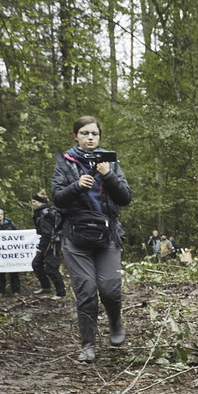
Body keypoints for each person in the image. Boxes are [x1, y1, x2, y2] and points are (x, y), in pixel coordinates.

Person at [52, 115, 132, 363]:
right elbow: (57, 197)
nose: (90, 137)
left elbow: (125, 198)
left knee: (109, 287)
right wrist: (76, 185)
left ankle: (115, 322)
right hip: (75, 236)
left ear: (99, 136)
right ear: (76, 135)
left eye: (94, 134)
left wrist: (108, 175)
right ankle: (88, 345)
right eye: (84, 133)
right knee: (86, 291)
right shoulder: (66, 162)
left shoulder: (110, 160)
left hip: (107, 234)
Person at [31, 191, 66, 299]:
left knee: (52, 268)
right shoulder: (41, 213)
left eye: (34, 201)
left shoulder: (45, 213)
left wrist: (40, 248)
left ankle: (61, 293)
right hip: (48, 243)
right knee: (36, 264)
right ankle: (46, 287)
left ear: (40, 202)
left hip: (52, 244)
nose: (33, 204)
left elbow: (47, 233)